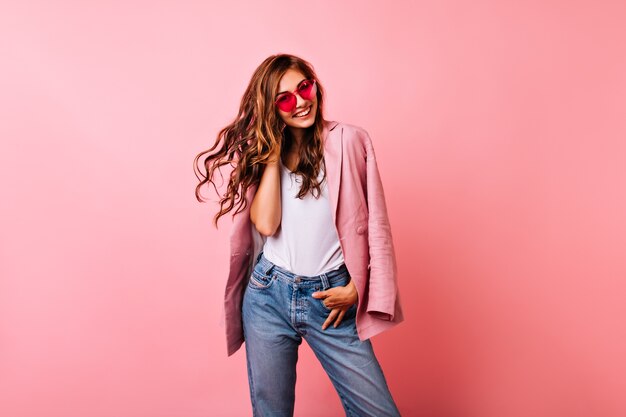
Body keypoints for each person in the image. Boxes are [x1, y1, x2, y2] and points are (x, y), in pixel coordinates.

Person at [194, 53, 404, 417]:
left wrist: (359, 286)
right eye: (285, 98)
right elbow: (266, 224)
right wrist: (273, 155)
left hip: (331, 298)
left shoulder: (350, 140)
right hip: (267, 297)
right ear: (272, 107)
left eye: (303, 87)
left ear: (314, 85)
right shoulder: (264, 155)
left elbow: (377, 225)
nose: (300, 102)